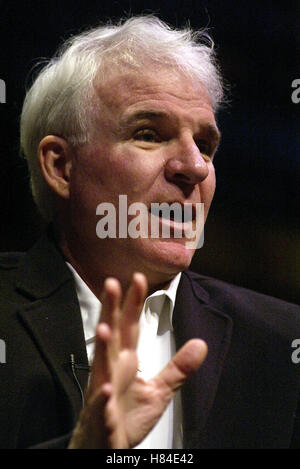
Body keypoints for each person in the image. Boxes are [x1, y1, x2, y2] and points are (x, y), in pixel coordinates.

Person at [0, 16, 299, 449]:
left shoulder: (282, 340)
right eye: (149, 134)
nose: (195, 167)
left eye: (206, 146)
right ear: (61, 167)